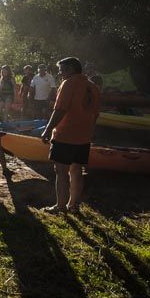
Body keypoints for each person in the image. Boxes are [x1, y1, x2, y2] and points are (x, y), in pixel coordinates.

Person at [40, 57, 101, 213]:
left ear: (71, 69)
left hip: (65, 134)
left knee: (61, 171)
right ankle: (73, 205)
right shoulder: (92, 86)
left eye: (62, 70)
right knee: (77, 170)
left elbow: (60, 109)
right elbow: (95, 114)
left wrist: (47, 129)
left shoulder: (68, 83)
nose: (60, 73)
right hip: (84, 136)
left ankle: (60, 206)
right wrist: (90, 131)